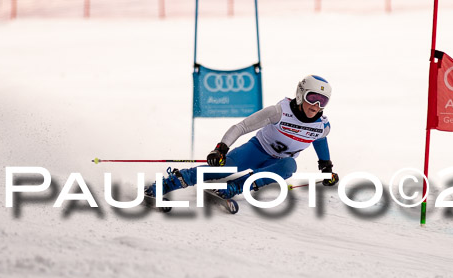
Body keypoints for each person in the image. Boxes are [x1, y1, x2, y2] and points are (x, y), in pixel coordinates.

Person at [145, 74, 339, 202]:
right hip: (255, 151)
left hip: (276, 164)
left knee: (289, 166)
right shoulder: (279, 112)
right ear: (300, 94)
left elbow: (320, 140)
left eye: (323, 101)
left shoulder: (322, 125)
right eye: (312, 98)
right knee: (221, 170)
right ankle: (168, 183)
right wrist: (221, 148)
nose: (316, 105)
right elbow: (243, 126)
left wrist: (326, 167)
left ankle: (235, 187)